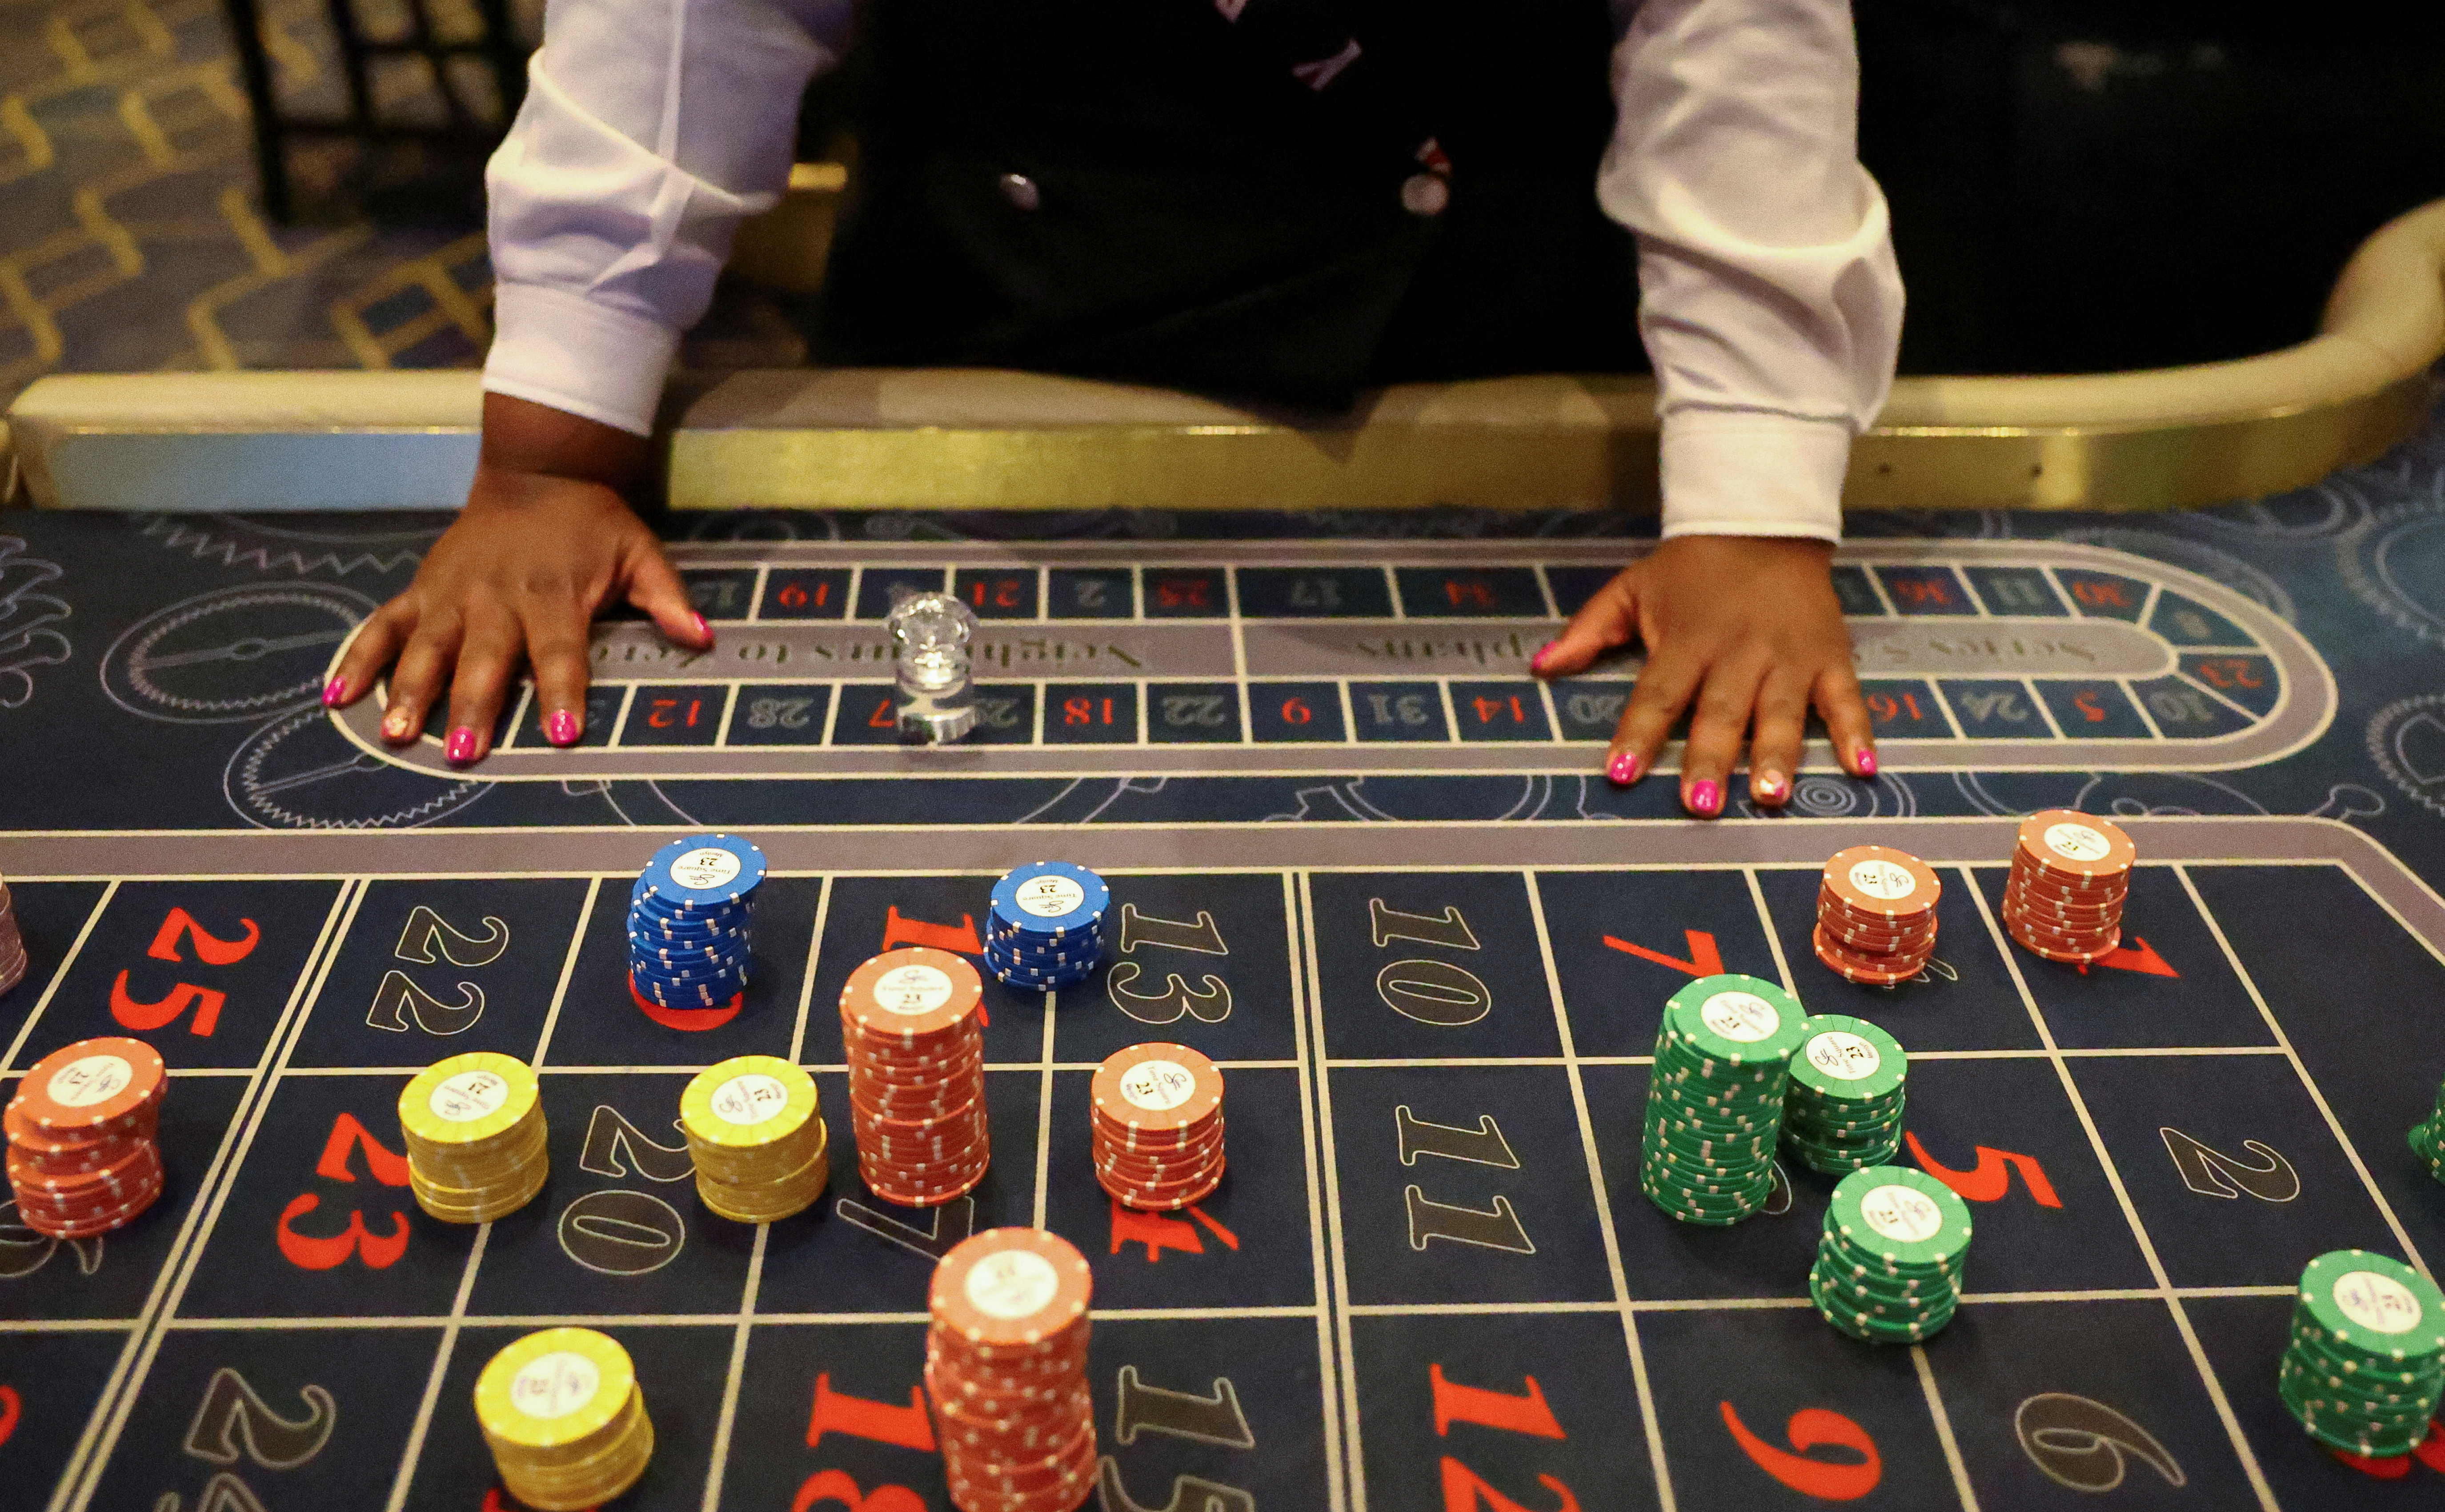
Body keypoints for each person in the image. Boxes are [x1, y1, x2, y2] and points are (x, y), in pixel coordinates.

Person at [325, 0, 1903, 817]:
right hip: (984, 328)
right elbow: (687, 28)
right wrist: (551, 451)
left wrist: (1753, 502)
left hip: (1481, 342)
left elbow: (1728, 34)